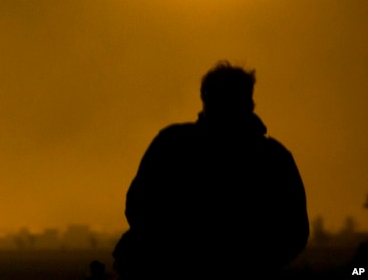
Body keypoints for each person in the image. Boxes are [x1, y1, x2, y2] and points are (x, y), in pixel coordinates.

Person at [113, 62, 309, 279]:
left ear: (204, 98)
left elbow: (138, 207)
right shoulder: (273, 157)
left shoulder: (171, 145)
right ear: (250, 101)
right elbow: (294, 233)